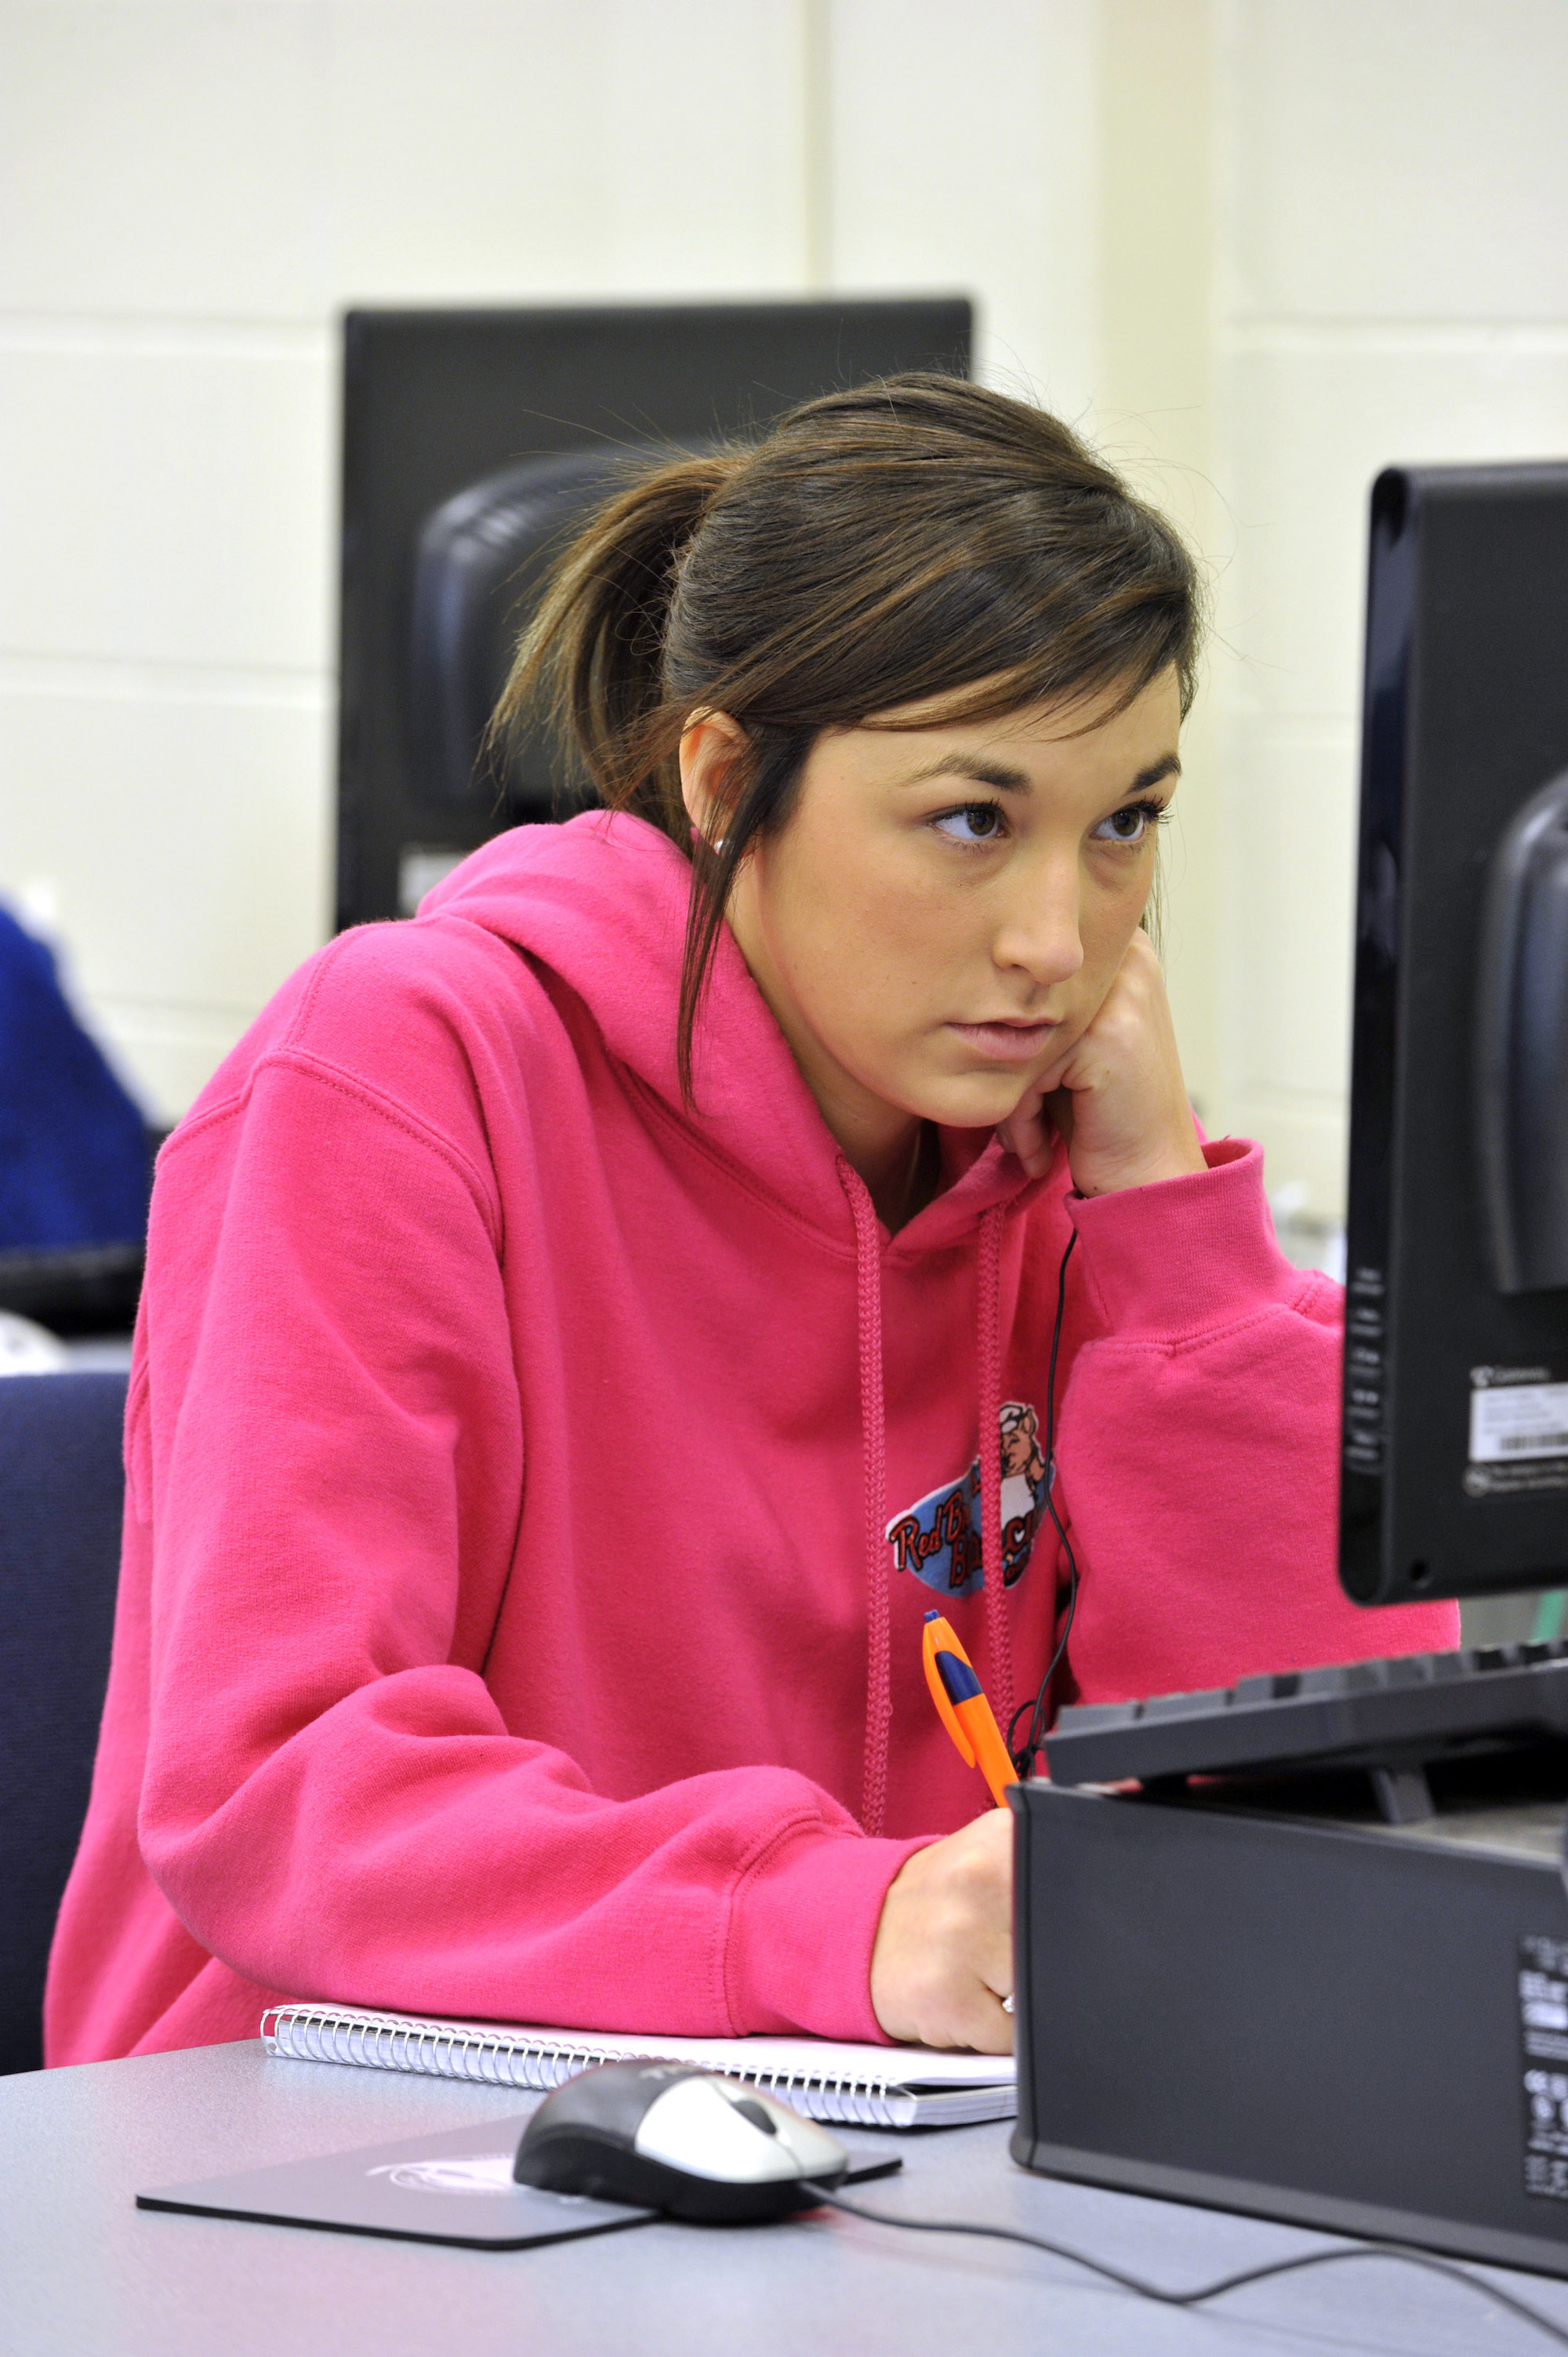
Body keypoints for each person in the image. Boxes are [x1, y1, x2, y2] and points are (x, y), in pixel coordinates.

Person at [45, 377, 1457, 2069]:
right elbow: (282, 1787)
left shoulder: (1042, 1153)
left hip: (860, 2146)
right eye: (970, 819)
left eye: (1122, 826)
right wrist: (832, 1923)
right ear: (725, 779)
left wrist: (1171, 1232)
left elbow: (1318, 1802)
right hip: (321, 2142)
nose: (1053, 940)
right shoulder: (404, 1071)